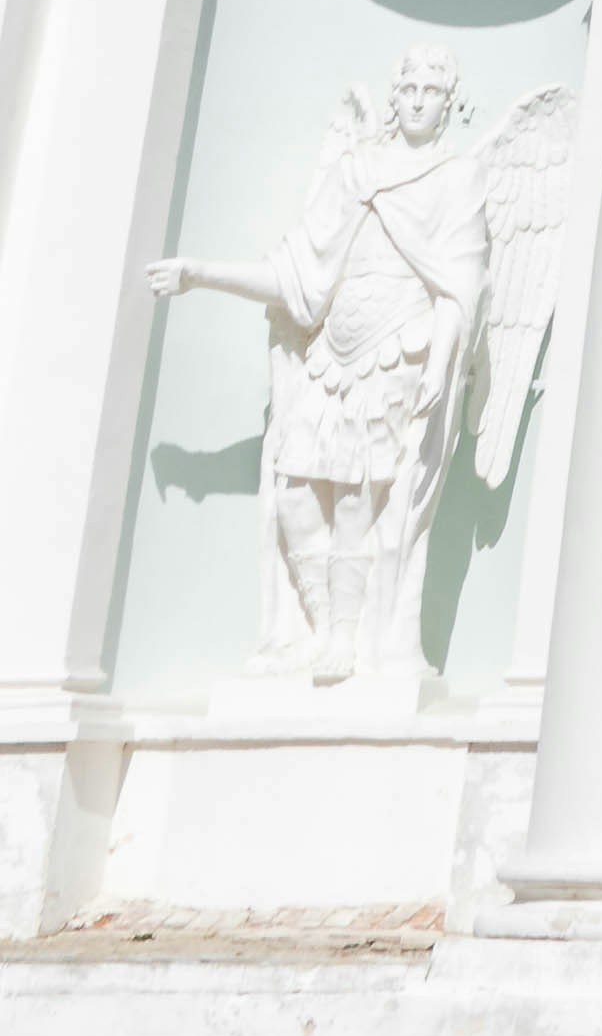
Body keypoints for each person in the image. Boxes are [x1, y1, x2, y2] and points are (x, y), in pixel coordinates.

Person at [152, 50, 574, 695]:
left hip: (398, 351)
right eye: (408, 88)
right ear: (394, 96)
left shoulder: (459, 177)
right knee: (295, 488)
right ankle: (321, 626)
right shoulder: (354, 171)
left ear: (449, 102)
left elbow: (463, 284)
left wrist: (441, 361)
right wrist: (200, 274)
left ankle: (346, 639)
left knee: (358, 496)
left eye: (432, 90)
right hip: (332, 355)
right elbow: (296, 275)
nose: (417, 100)